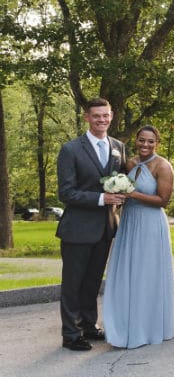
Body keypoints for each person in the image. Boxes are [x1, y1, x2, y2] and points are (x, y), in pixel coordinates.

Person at [56, 98, 127, 351]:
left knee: (93, 281)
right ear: (87, 117)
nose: (101, 120)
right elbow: (66, 193)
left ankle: (88, 324)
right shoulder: (71, 149)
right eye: (96, 116)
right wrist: (102, 198)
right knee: (73, 283)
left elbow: (122, 179)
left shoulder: (118, 146)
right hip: (77, 228)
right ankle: (71, 334)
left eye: (105, 115)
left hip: (106, 227)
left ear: (112, 115)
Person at [103, 125, 174, 348]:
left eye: (150, 141)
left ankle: (148, 327)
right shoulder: (130, 163)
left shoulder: (163, 166)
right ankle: (125, 323)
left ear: (157, 143)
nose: (145, 145)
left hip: (150, 223)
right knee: (129, 272)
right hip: (129, 222)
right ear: (136, 141)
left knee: (147, 273)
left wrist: (133, 194)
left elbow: (163, 200)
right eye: (142, 140)